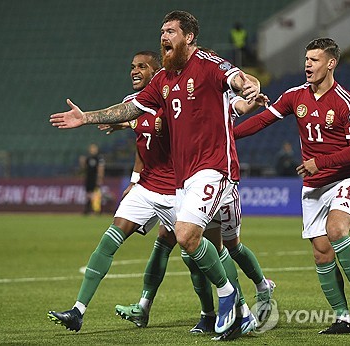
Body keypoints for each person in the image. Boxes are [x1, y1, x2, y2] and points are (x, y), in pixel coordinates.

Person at [49, 10, 261, 336]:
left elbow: (240, 79)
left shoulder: (207, 64)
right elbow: (131, 108)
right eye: (162, 31)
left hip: (215, 169)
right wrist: (86, 117)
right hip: (182, 179)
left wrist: (248, 87)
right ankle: (235, 309)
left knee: (191, 237)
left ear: (188, 37)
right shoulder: (163, 81)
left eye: (171, 31)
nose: (164, 37)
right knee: (201, 245)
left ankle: (229, 297)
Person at [233, 37, 350, 334]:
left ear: (331, 63)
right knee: (321, 253)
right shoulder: (294, 96)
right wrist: (227, 134)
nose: (307, 65)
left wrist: (320, 163)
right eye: (306, 60)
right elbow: (262, 121)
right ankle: (342, 318)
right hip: (312, 187)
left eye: (314, 60)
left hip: (343, 179)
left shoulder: (346, 103)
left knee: (337, 231)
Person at [114, 83, 275, 338]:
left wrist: (251, 103)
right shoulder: (184, 99)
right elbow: (159, 120)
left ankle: (258, 289)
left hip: (220, 182)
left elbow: (241, 106)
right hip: (189, 183)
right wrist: (127, 122)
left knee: (231, 247)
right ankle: (220, 314)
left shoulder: (219, 95)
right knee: (195, 249)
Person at [80, 143, 105, 214]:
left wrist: (100, 178)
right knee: (88, 193)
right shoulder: (88, 158)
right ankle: (87, 208)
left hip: (95, 177)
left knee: (95, 193)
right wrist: (82, 163)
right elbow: (84, 168)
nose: (93, 150)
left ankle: (96, 209)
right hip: (88, 177)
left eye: (94, 148)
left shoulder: (99, 158)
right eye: (91, 149)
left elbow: (101, 168)